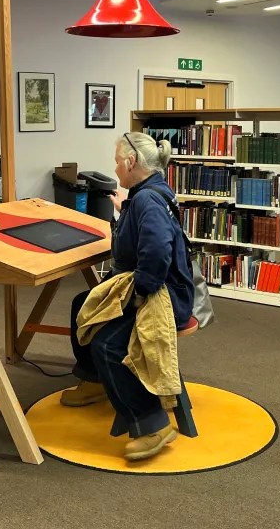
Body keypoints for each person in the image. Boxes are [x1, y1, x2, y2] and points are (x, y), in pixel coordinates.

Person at [60, 131, 194, 461]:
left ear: (131, 162)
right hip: (154, 286)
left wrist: (138, 297)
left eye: (118, 161)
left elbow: (157, 253)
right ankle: (94, 381)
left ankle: (153, 424)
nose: (115, 166)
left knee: (108, 342)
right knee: (82, 305)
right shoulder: (148, 192)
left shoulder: (146, 200)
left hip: (162, 295)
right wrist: (124, 212)